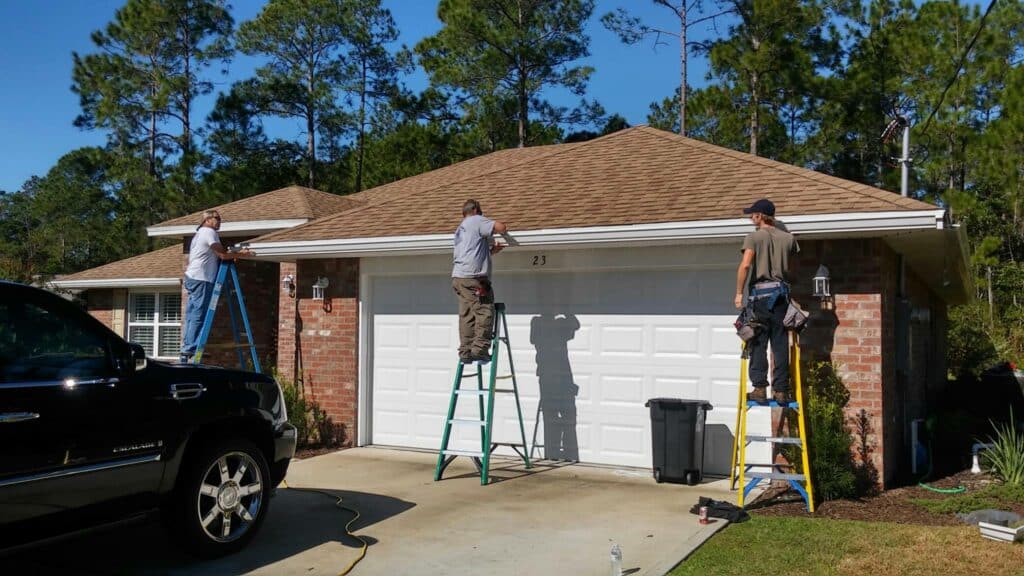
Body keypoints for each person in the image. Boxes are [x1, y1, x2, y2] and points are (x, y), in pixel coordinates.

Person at [734, 198, 799, 403]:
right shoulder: (789, 239)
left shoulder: (754, 237)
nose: (750, 218)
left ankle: (760, 389)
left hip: (760, 299)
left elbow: (745, 266)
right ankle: (781, 391)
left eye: (752, 214)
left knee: (758, 342)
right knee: (780, 343)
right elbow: (791, 269)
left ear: (760, 216)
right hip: (781, 298)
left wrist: (738, 293)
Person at [180, 210, 253, 363]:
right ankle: (192, 348)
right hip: (201, 279)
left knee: (192, 314)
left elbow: (218, 254)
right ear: (207, 219)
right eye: (217, 218)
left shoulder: (200, 234)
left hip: (193, 277)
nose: (219, 221)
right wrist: (242, 254)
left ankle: (188, 346)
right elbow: (223, 255)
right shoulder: (209, 232)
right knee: (199, 315)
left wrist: (232, 254)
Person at [452, 199, 508, 363]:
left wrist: (492, 251)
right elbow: (501, 227)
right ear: (475, 209)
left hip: (459, 278)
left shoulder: (461, 229)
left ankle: (466, 352)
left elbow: (472, 253)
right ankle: (480, 350)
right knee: (484, 311)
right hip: (474, 278)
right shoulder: (476, 220)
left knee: (467, 315)